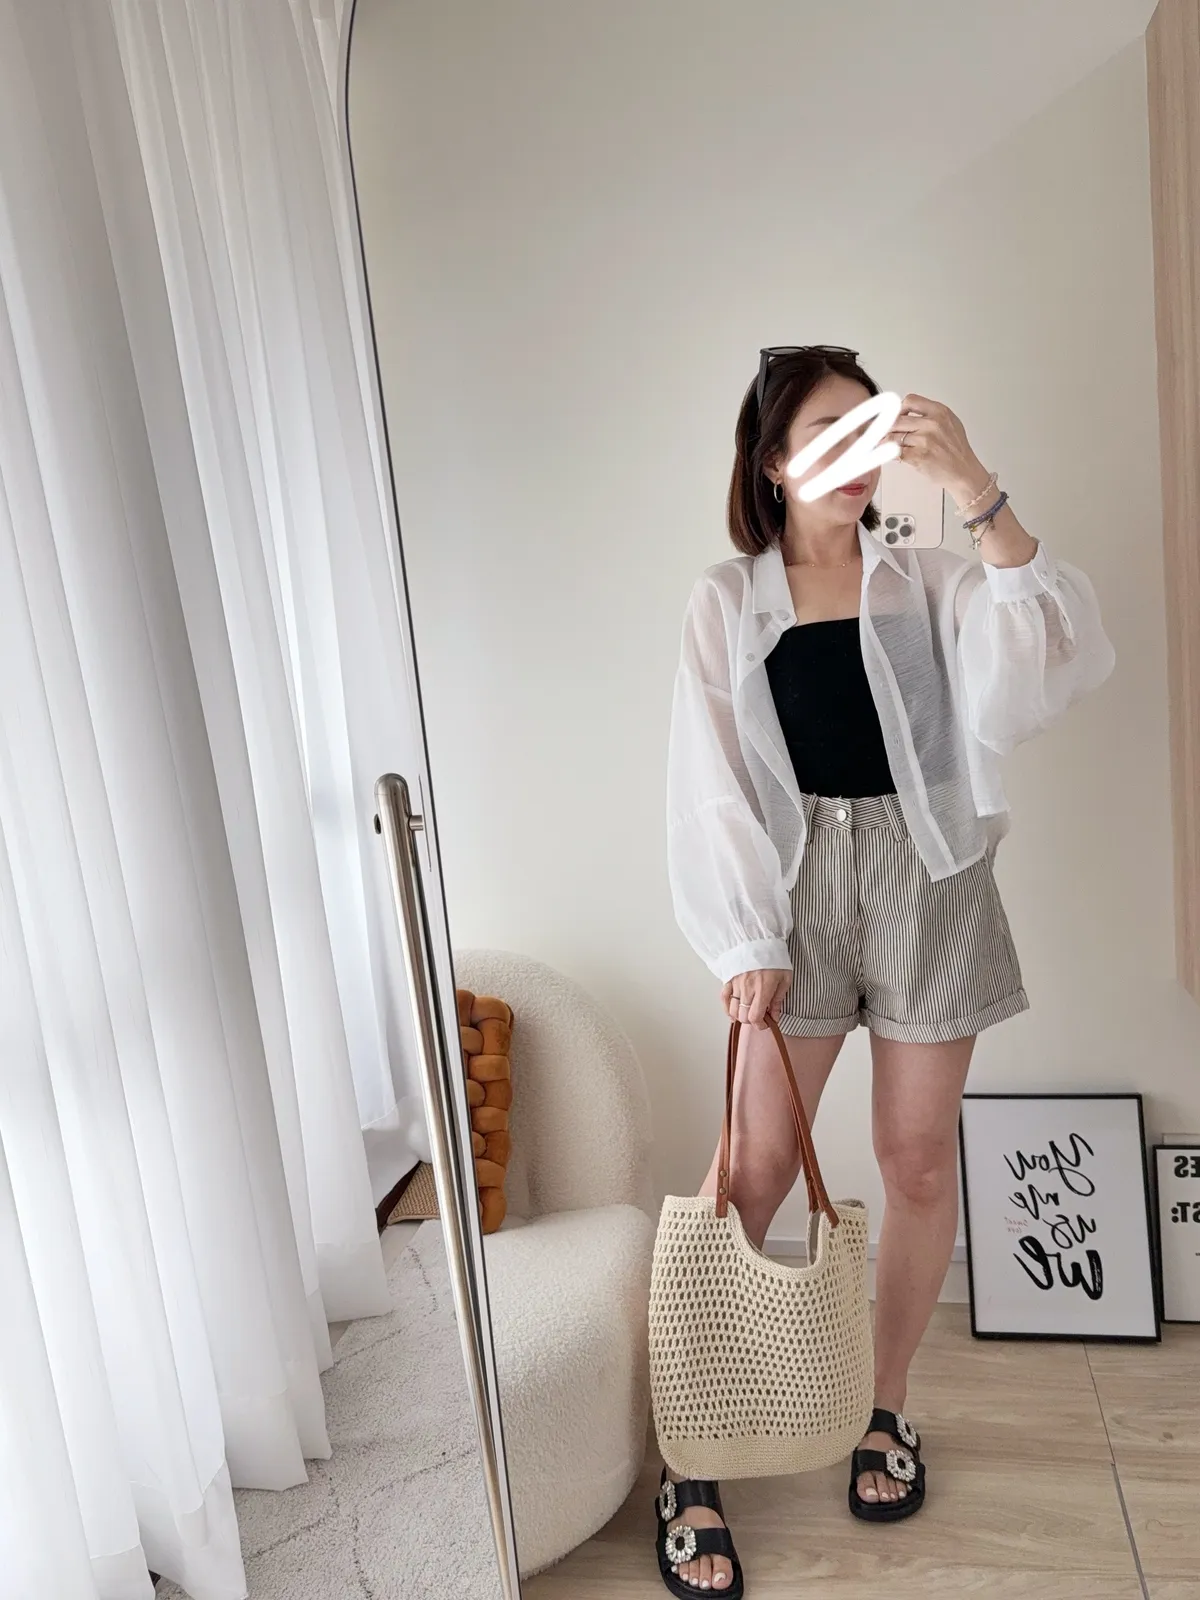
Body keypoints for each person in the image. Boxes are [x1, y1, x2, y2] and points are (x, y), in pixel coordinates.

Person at [654, 345, 1115, 1596]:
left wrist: (971, 479)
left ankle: (886, 1408)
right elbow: (709, 779)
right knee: (751, 1173)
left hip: (930, 880)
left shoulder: (932, 581)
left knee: (914, 1164)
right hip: (793, 893)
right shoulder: (726, 600)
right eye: (826, 433)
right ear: (772, 461)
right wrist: (746, 939)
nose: (856, 454)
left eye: (873, 429)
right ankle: (692, 1454)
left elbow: (1053, 651)